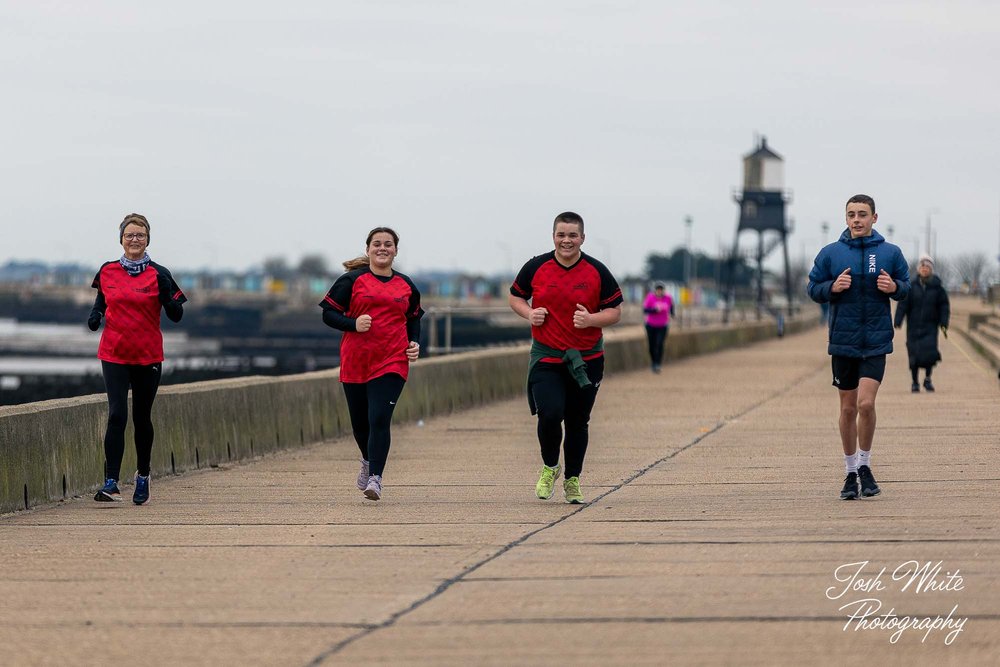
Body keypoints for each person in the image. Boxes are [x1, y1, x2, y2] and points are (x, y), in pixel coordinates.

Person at [509, 212, 623, 504]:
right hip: (547, 355)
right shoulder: (536, 266)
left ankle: (573, 479)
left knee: (577, 421)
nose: (567, 240)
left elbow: (615, 313)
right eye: (561, 235)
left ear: (582, 238)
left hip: (587, 359)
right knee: (549, 414)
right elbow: (515, 297)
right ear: (553, 236)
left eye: (573, 235)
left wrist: (591, 319)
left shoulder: (597, 271)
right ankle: (550, 467)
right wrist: (529, 314)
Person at [807, 195, 909, 500]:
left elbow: (906, 287)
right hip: (843, 342)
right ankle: (850, 472)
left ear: (874, 218)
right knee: (848, 408)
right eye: (851, 214)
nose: (856, 220)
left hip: (876, 341)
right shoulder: (831, 254)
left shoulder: (890, 253)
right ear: (845, 217)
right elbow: (812, 288)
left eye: (862, 214)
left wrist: (895, 288)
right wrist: (830, 288)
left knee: (866, 404)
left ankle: (865, 464)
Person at [89, 213, 187, 504]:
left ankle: (143, 475)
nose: (135, 240)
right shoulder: (107, 271)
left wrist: (168, 297)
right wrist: (95, 315)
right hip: (114, 353)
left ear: (147, 240)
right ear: (121, 239)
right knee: (117, 414)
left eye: (140, 235)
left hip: (147, 356)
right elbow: (102, 300)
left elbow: (177, 315)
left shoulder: (160, 273)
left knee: (142, 417)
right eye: (129, 235)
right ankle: (111, 482)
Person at [320, 227, 422, 501]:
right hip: (356, 360)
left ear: (395, 251)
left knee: (379, 418)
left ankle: (376, 478)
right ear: (368, 250)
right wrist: (353, 323)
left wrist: (414, 342)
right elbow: (328, 314)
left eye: (388, 244)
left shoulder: (406, 285)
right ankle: (367, 459)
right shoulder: (352, 280)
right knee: (360, 423)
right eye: (377, 244)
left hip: (392, 361)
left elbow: (414, 317)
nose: (382, 248)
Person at [894, 254, 950, 393]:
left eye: (927, 267)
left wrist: (944, 322)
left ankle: (928, 379)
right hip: (913, 327)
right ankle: (915, 382)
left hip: (930, 327)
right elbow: (903, 304)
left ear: (931, 269)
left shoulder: (938, 288)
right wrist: (898, 319)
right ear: (919, 269)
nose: (925, 269)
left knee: (930, 354)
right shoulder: (911, 287)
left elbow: (944, 306)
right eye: (922, 266)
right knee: (914, 355)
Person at [642, 282, 674, 373]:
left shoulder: (668, 298)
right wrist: (654, 310)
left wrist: (672, 314)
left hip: (663, 325)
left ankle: (658, 363)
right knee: (651, 345)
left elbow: (671, 307)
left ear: (663, 291)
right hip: (650, 325)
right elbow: (645, 310)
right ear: (655, 290)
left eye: (661, 290)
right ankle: (653, 362)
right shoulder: (650, 297)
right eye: (658, 290)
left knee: (659, 344)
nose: (659, 291)